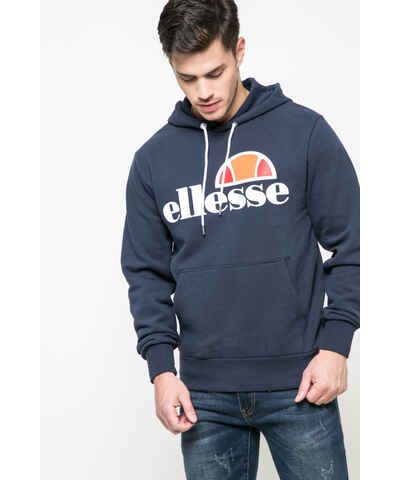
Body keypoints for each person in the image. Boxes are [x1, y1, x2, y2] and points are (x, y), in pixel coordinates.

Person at [120, 1, 360, 478]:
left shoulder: (304, 133)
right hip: (203, 395)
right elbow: (146, 273)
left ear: (239, 51)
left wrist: (336, 345)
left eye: (215, 72)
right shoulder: (153, 161)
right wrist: (162, 370)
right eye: (187, 78)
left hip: (300, 382)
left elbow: (356, 244)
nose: (203, 92)